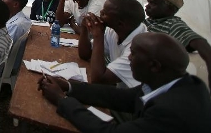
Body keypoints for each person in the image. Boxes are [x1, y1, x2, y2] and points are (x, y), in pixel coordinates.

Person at [38, 32, 211, 133]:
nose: (128, 57)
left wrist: (62, 100)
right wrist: (68, 85)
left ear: (154, 66)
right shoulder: (181, 82)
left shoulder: (172, 111)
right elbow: (121, 97)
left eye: (134, 54)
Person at [139, 0, 211, 86]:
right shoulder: (147, 22)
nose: (147, 6)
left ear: (171, 8)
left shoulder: (173, 24)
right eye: (148, 2)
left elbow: (201, 44)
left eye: (153, 3)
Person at [78, 0, 147, 88]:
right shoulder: (114, 30)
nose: (100, 13)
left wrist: (98, 36)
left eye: (104, 13)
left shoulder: (139, 48)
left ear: (120, 24)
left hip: (136, 98)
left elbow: (98, 80)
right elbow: (85, 54)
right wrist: (84, 28)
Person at [3, 0, 32, 72]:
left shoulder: (15, 25)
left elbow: (3, 50)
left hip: (7, 66)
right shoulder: (24, 19)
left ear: (15, 4)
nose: (2, 0)